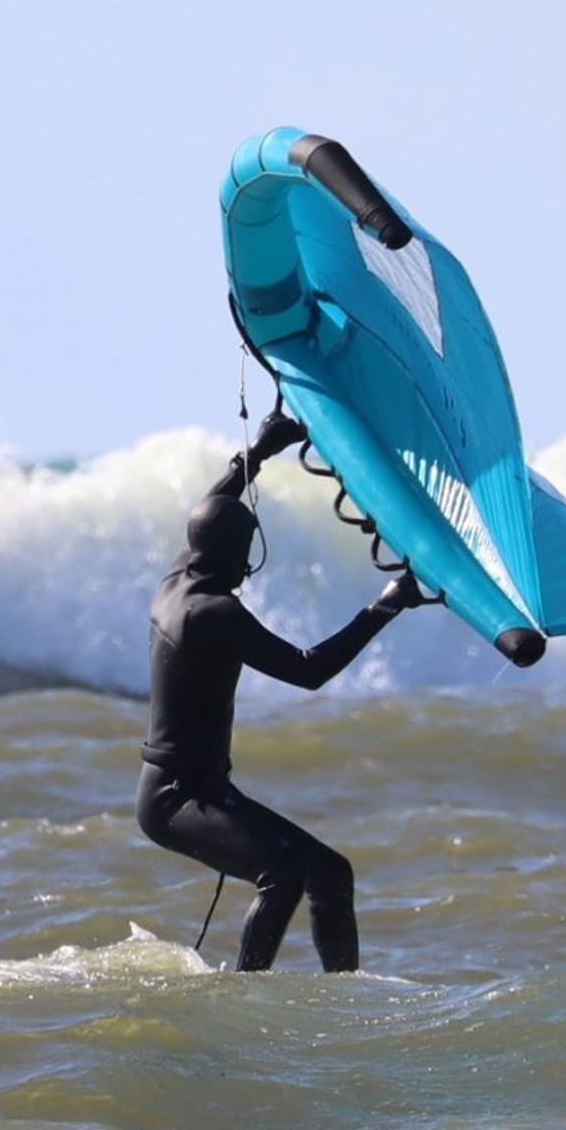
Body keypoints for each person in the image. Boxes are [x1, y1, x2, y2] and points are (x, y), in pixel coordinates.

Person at [138, 406, 434, 972]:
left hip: (193, 789)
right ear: (235, 556)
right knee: (283, 873)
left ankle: (342, 998)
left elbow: (214, 508)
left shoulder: (176, 580)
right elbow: (308, 669)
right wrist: (383, 608)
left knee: (331, 873)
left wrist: (260, 450)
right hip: (177, 798)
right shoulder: (213, 613)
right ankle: (246, 995)